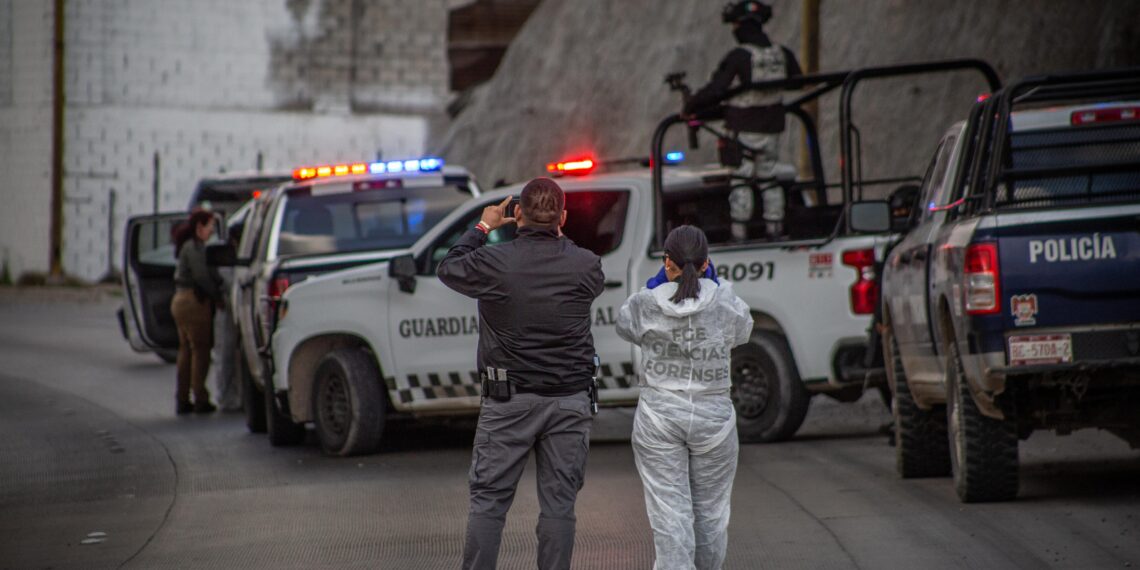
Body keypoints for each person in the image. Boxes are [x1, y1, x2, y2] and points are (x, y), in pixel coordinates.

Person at [438, 178, 605, 570]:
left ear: (517, 215)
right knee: (559, 506)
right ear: (562, 217)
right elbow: (580, 271)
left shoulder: (494, 264)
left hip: (507, 402)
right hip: (569, 400)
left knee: (489, 504)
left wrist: (483, 226)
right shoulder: (586, 265)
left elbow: (449, 267)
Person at [616, 225, 754, 570]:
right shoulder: (726, 302)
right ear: (707, 263)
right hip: (714, 418)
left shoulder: (646, 303)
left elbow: (624, 325)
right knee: (711, 514)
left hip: (660, 417)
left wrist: (656, 285)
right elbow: (743, 331)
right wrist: (714, 286)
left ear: (667, 261)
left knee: (669, 513)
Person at [685, 0, 802, 238]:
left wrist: (692, 104)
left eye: (736, 26)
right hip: (772, 131)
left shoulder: (740, 56)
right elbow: (798, 81)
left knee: (741, 181)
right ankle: (775, 230)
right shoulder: (782, 54)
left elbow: (717, 89)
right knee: (769, 179)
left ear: (742, 26)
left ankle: (739, 234)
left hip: (744, 130)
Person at [170, 209, 223, 415]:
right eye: (210, 226)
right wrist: (218, 297)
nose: (212, 231)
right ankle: (200, 398)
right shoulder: (195, 248)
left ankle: (182, 399)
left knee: (186, 350)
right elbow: (202, 276)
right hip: (193, 302)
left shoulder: (190, 246)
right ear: (200, 227)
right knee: (201, 350)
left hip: (181, 301)